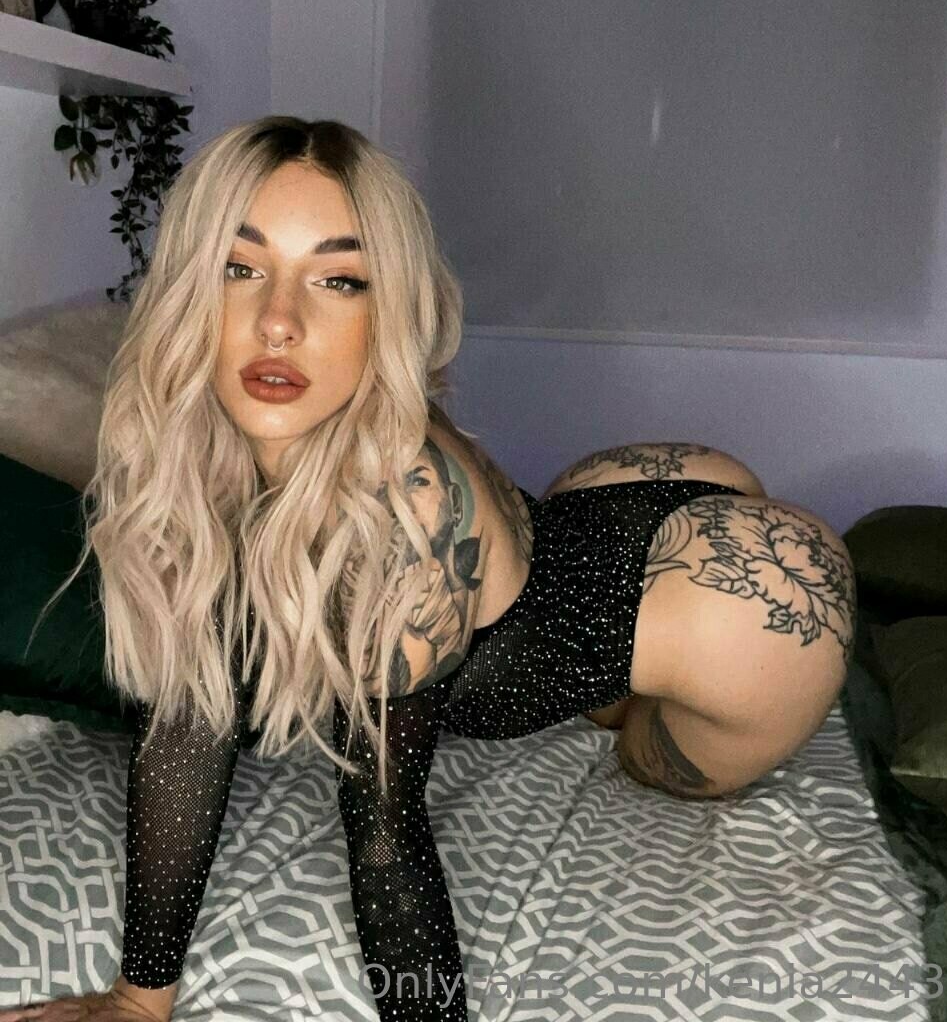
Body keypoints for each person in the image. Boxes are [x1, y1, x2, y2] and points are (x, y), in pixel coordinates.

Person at [0, 117, 857, 1022]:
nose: (279, 322)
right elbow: (188, 720)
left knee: (642, 752)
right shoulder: (188, 456)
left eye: (338, 280)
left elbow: (385, 834)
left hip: (748, 614)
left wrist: (145, 1002)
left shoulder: (406, 513)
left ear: (391, 310)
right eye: (239, 268)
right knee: (595, 681)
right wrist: (139, 1001)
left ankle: (623, 683)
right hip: (596, 500)